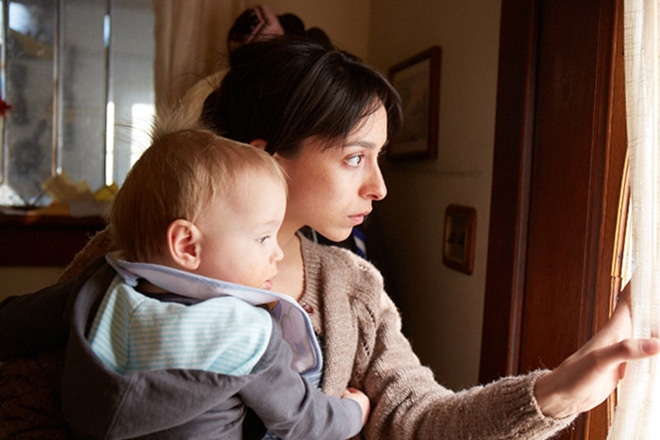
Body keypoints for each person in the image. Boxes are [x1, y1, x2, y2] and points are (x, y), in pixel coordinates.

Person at [2, 37, 659, 439]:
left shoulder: (352, 288)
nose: (379, 187)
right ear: (267, 156)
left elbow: (416, 419)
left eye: (380, 159)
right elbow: (22, 406)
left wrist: (558, 392)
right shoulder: (132, 261)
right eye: (353, 157)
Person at [0, 127, 370, 439]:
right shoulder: (247, 336)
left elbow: (14, 322)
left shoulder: (97, 287)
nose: (276, 252)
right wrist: (354, 411)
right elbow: (304, 421)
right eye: (262, 237)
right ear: (186, 245)